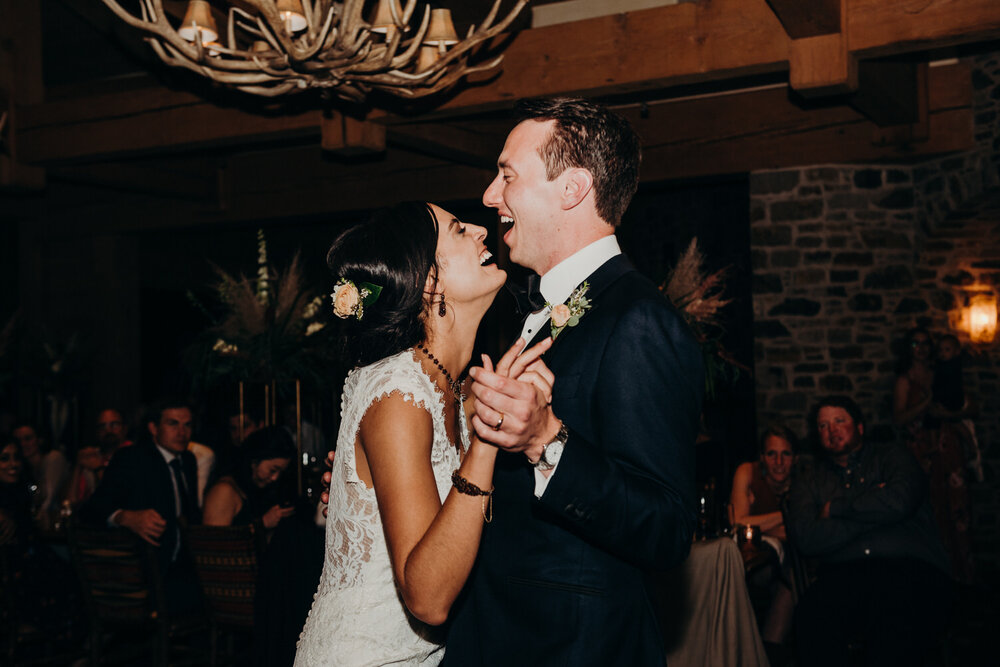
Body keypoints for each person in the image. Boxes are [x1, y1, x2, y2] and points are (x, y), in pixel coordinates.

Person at [444, 97, 704, 666]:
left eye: (507, 174)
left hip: (573, 647)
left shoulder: (638, 320)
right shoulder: (520, 311)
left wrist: (545, 440)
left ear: (572, 189)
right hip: (494, 634)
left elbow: (668, 530)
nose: (490, 196)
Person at [295, 202, 548, 666]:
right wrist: (488, 437)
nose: (477, 229)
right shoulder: (398, 392)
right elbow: (428, 599)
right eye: (457, 229)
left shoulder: (454, 387)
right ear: (429, 281)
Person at [786, 395, 953, 667]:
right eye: (823, 425)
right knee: (810, 615)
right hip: (843, 574)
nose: (832, 430)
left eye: (840, 421)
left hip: (908, 568)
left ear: (860, 427)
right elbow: (807, 538)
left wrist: (835, 509)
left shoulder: (893, 456)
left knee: (897, 619)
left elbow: (899, 501)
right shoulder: (809, 480)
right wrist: (876, 509)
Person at [81, 397, 202, 613]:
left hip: (182, 567)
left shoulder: (189, 461)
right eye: (173, 424)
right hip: (142, 574)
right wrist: (125, 517)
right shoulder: (133, 458)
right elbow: (93, 508)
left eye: (187, 425)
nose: (182, 432)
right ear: (153, 428)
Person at [893, 327, 975, 582]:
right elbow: (898, 419)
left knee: (956, 505)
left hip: (946, 445)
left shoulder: (941, 372)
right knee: (928, 507)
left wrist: (951, 418)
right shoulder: (905, 380)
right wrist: (924, 404)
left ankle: (961, 573)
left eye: (925, 343)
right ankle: (931, 575)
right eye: (916, 344)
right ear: (909, 348)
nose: (922, 348)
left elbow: (968, 405)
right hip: (919, 450)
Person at [728, 423, 796, 659]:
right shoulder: (748, 472)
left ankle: (770, 654)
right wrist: (785, 517)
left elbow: (802, 532)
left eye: (785, 453)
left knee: (792, 577)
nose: (778, 461)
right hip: (750, 564)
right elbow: (738, 522)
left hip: (789, 565)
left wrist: (757, 523)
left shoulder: (804, 483)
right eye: (771, 454)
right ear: (762, 458)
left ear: (795, 458)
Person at [202, 425, 296, 530]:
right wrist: (262, 523)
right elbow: (214, 542)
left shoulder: (257, 490)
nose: (275, 477)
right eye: (272, 470)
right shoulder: (224, 491)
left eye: (281, 472)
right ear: (254, 461)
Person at [11, 420, 69, 529]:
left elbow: (48, 499)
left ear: (39, 440)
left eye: (28, 439)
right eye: (18, 441)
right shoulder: (21, 469)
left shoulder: (53, 458)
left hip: (60, 529)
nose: (23, 444)